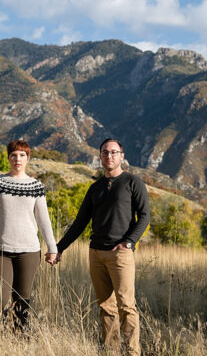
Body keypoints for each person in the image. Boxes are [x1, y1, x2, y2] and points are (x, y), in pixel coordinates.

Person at [56, 138, 150, 356]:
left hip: (121, 255)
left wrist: (129, 241)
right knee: (106, 307)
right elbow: (80, 222)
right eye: (105, 153)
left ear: (122, 156)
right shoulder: (95, 188)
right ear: (100, 157)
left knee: (126, 305)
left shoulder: (132, 182)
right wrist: (59, 247)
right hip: (96, 253)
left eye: (114, 152)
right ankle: (111, 350)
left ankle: (132, 352)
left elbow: (144, 216)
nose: (110, 156)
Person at [0, 139, 59, 332]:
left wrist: (52, 248)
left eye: (22, 155)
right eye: (13, 155)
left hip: (29, 252)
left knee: (23, 300)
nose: (18, 159)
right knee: (0, 300)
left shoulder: (35, 186)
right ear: (8, 158)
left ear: (28, 158)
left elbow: (43, 220)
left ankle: (21, 342)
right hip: (1, 251)